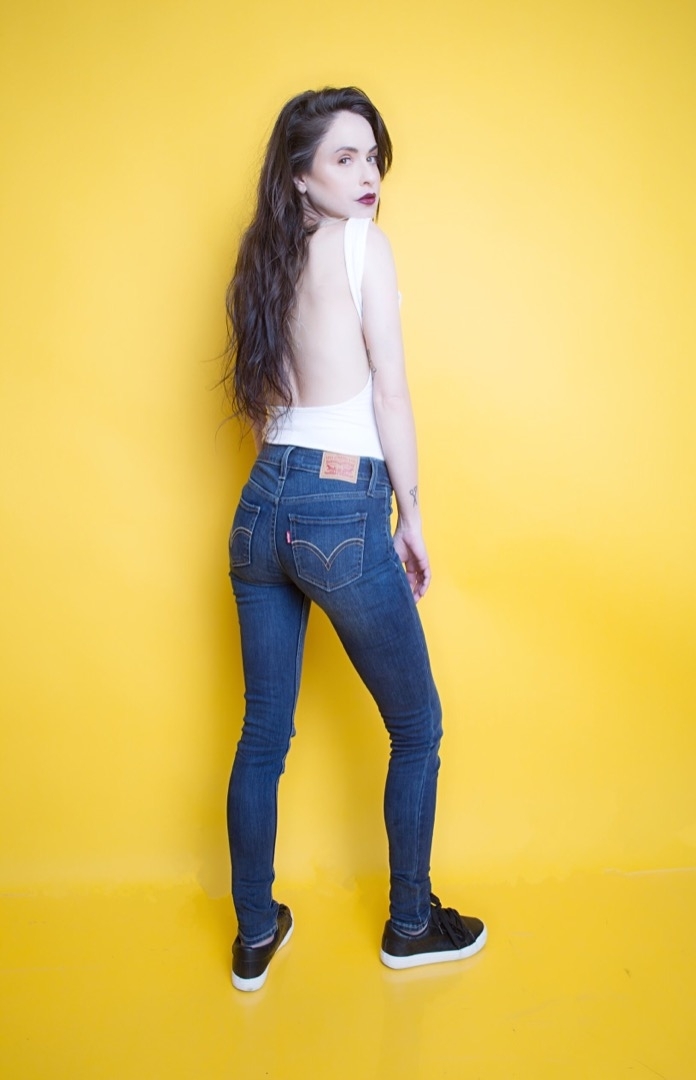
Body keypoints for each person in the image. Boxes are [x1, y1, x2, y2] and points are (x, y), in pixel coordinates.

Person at [221, 86, 486, 992]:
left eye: (372, 156)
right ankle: (411, 925)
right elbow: (391, 393)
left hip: (261, 506)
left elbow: (271, 405)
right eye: (344, 157)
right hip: (339, 508)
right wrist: (411, 516)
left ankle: (254, 933)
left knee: (263, 733)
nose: (367, 173)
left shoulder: (262, 261)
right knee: (417, 726)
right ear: (300, 175)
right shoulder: (362, 245)